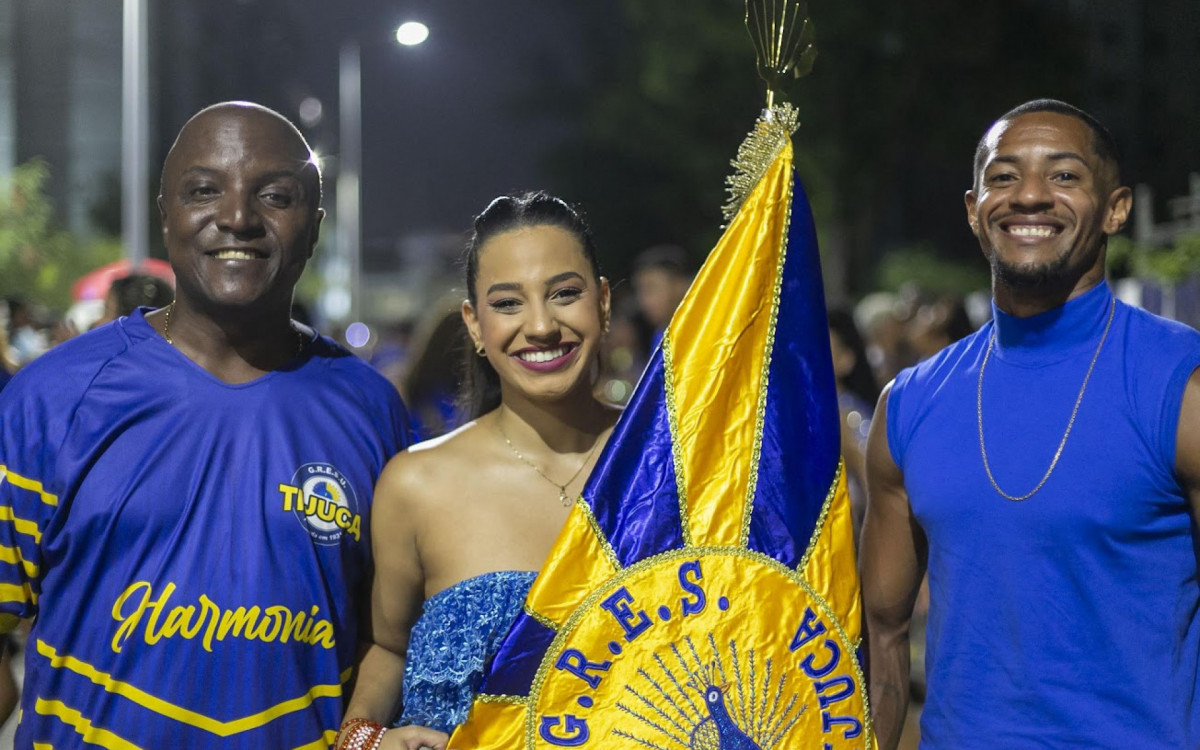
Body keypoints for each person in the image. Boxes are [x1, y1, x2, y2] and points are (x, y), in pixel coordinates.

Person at [0, 101, 409, 748]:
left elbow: (389, 641)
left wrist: (362, 738)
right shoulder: (52, 399)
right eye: (204, 191)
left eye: (275, 195)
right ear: (166, 214)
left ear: (314, 226)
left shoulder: (371, 411)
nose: (238, 217)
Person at [861, 98, 1200, 748]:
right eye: (1004, 176)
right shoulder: (908, 404)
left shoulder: (1181, 385)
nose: (1030, 195)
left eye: (1064, 175)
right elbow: (883, 635)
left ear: (1116, 209)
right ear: (974, 209)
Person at [337, 192, 619, 749]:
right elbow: (386, 647)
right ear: (473, 324)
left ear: (604, 302)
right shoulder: (417, 485)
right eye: (508, 303)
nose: (541, 325)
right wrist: (363, 738)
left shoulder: (670, 463)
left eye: (565, 293)